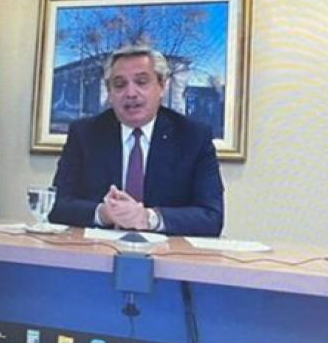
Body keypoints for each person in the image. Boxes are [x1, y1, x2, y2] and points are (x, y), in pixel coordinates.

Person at [50, 46, 224, 237]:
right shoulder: (85, 134)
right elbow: (57, 206)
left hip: (168, 257)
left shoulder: (193, 136)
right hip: (97, 254)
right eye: (119, 84)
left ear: (162, 86)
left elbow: (211, 217)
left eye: (141, 82)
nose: (130, 93)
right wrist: (104, 213)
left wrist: (149, 218)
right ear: (109, 91)